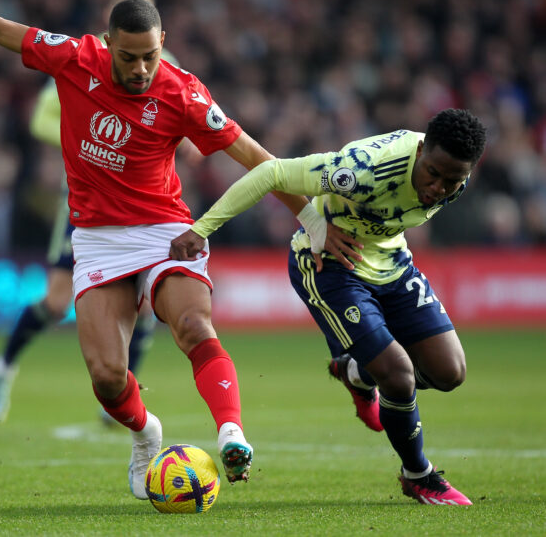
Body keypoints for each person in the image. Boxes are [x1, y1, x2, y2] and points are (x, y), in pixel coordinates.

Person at [0, 0, 355, 499]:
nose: (141, 68)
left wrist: (312, 218)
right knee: (106, 376)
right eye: (129, 57)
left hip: (167, 230)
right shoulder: (73, 58)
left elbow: (259, 160)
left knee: (193, 323)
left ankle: (231, 432)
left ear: (163, 40)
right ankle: (146, 433)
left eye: (150, 55)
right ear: (107, 43)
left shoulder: (184, 92)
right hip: (98, 238)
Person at [170, 108, 486, 506]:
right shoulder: (362, 169)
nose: (439, 187)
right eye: (434, 173)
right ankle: (418, 475)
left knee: (450, 372)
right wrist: (202, 229)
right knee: (399, 375)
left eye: (452, 179)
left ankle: (355, 371)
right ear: (421, 149)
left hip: (391, 263)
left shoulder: (457, 175)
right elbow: (272, 172)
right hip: (329, 265)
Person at [0, 0, 177, 425]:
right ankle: (3, 366)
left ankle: (122, 400)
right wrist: (86, 136)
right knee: (55, 302)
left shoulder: (169, 69)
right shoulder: (88, 61)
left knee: (149, 307)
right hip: (86, 205)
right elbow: (40, 119)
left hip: (145, 210)